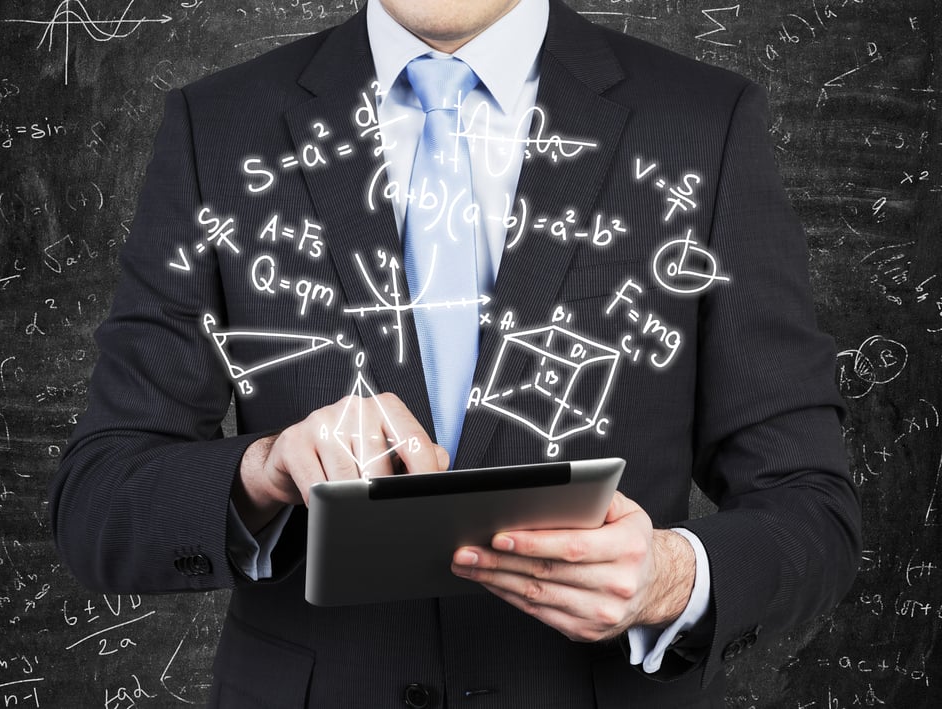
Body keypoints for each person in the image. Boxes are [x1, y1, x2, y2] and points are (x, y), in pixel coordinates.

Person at [49, 0, 862, 706]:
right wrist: (263, 467)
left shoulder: (702, 125)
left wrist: (670, 577)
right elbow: (99, 501)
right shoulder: (219, 128)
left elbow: (811, 507)